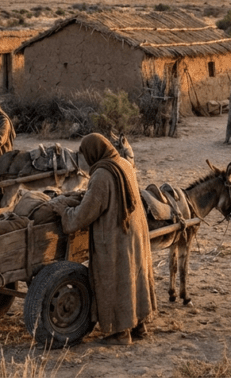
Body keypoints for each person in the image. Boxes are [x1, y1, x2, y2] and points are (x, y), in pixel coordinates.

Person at [53, 133, 156, 345]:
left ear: (93, 153)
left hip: (115, 236)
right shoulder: (124, 164)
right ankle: (139, 325)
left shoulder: (101, 176)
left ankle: (119, 333)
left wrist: (64, 210)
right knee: (134, 276)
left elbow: (82, 216)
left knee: (114, 280)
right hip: (134, 232)